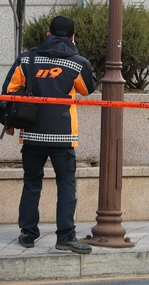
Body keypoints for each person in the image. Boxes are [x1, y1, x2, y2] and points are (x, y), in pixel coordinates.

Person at [2, 16, 96, 254]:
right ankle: (65, 236)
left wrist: (9, 122)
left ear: (47, 35)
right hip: (62, 136)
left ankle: (28, 233)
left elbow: (8, 92)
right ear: (73, 37)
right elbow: (87, 89)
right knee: (66, 185)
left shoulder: (27, 59)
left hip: (32, 134)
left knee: (31, 183)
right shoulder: (77, 63)